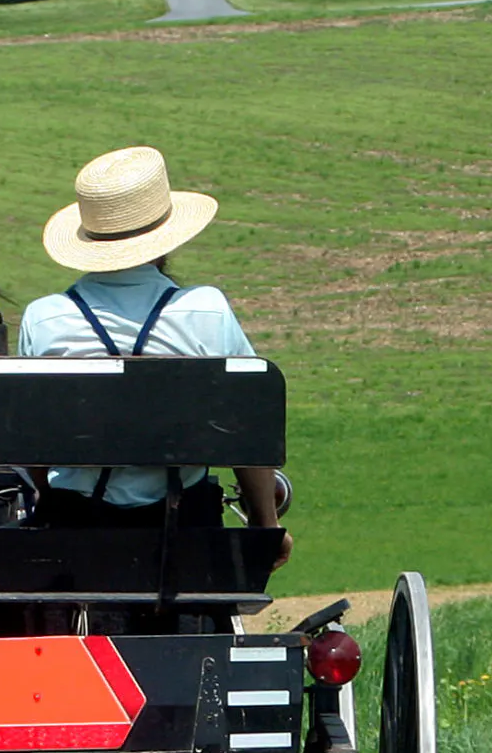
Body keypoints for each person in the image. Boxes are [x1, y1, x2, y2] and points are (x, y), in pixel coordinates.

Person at [19, 146, 289, 565]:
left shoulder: (43, 319)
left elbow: (32, 444)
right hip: (186, 531)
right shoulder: (208, 310)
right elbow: (248, 428)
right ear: (166, 235)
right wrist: (266, 528)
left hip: (73, 533)